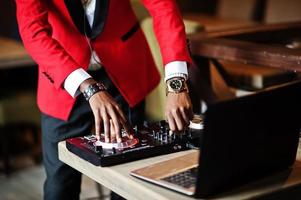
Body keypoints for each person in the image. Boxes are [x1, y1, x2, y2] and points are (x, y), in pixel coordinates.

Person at [16, 0, 193, 199]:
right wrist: (88, 87)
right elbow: (33, 32)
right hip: (64, 76)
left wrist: (176, 82)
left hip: (124, 72)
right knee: (60, 187)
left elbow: (163, 6)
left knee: (128, 179)